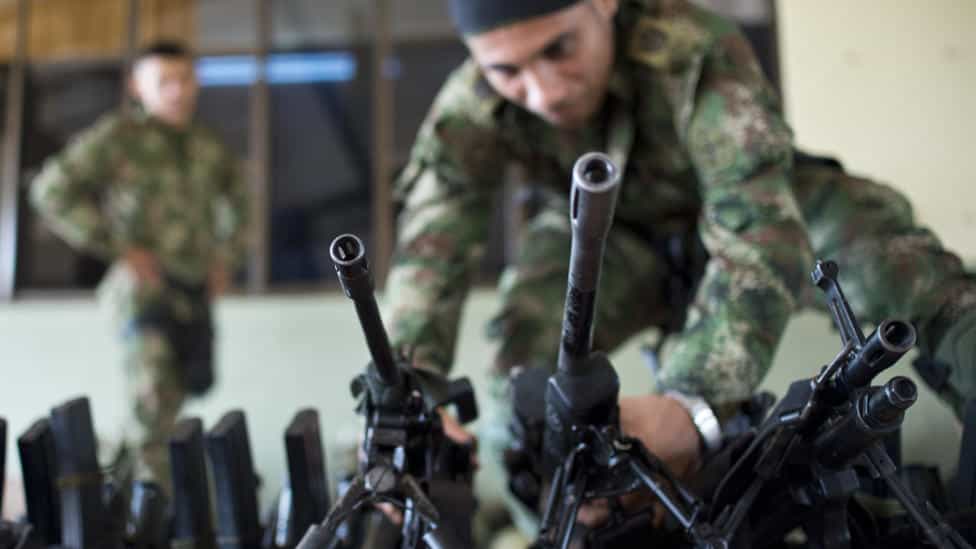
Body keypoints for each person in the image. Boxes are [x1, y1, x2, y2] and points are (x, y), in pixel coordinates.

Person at [384, 0, 976, 529]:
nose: (543, 92)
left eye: (557, 48)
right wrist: (403, 397)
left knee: (897, 267)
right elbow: (431, 247)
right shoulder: (471, 103)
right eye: (506, 72)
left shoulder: (695, 50)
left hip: (761, 205)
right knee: (516, 373)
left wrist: (691, 404)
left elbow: (754, 227)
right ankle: (570, 525)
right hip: (617, 237)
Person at [30, 41, 249, 496]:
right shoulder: (120, 137)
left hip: (193, 293)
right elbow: (52, 190)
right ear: (137, 86)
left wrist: (225, 260)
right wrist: (119, 248)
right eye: (163, 81)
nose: (176, 91)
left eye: (184, 79)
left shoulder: (207, 145)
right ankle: (150, 517)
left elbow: (243, 204)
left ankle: (122, 496)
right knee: (151, 406)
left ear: (197, 82)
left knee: (171, 410)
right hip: (144, 290)